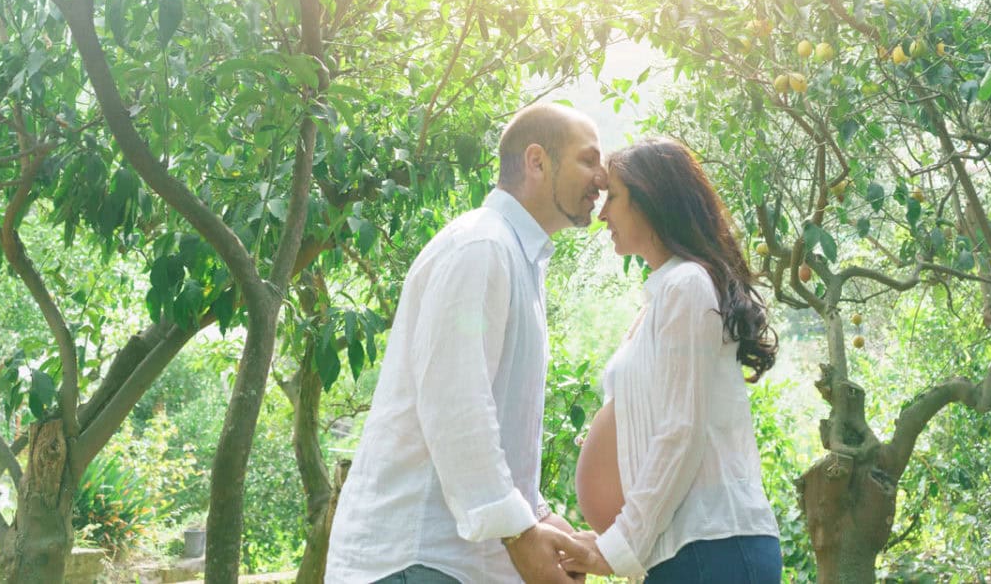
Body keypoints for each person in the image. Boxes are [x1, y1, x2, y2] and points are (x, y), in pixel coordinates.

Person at [325, 103, 606, 584]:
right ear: (537, 162)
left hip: (451, 565)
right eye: (589, 159)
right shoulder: (481, 246)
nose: (602, 178)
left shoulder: (516, 256)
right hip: (418, 559)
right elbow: (457, 407)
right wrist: (521, 537)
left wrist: (537, 516)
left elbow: (496, 424)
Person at [566, 137, 782, 582]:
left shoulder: (686, 285)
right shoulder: (667, 294)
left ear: (651, 200)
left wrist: (620, 544)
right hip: (686, 552)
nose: (603, 213)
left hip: (712, 549)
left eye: (615, 197)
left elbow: (680, 430)